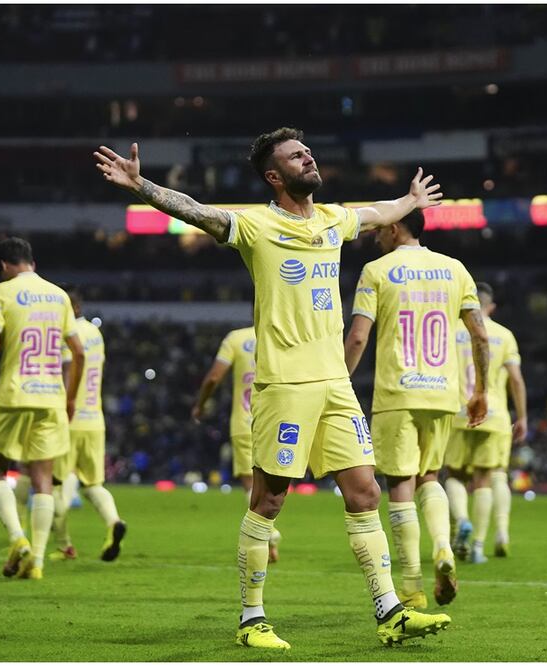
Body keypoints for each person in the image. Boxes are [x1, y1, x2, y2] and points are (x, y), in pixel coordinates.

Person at [94, 127, 466, 649]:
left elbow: (377, 214)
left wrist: (410, 200)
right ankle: (251, 619)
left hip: (335, 382)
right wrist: (144, 188)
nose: (308, 156)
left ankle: (391, 611)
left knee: (365, 492)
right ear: (274, 176)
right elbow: (198, 211)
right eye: (296, 155)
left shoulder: (333, 219)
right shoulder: (256, 225)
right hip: (284, 385)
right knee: (268, 502)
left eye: (308, 150)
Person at [343, 210, 489, 608]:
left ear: (394, 227)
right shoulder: (455, 269)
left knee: (400, 485)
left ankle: (411, 587)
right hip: (443, 393)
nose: (374, 238)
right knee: (430, 476)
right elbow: (480, 334)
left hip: (397, 393)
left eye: (378, 231)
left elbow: (358, 338)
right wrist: (482, 390)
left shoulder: (377, 271)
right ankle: (443, 545)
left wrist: (339, 379)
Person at [0, 237, 84, 581]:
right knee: (42, 479)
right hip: (52, 397)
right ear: (32, 263)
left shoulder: (1, 291)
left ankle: (16, 538)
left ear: (4, 266)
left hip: (13, 393)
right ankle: (36, 561)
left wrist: (1, 338)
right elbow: (78, 352)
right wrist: (70, 398)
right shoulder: (58, 295)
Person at [440, 282, 526, 563]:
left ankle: (462, 521)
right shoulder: (504, 335)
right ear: (490, 306)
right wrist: (522, 416)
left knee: (454, 475)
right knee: (486, 479)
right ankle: (479, 544)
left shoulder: (451, 330)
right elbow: (515, 378)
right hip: (494, 413)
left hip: (457, 412)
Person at [192, 325, 282, 562]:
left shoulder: (236, 338)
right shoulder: (282, 333)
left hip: (245, 421)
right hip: (277, 419)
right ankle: (268, 536)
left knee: (251, 484)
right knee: (272, 481)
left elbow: (213, 377)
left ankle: (269, 534)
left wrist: (200, 404)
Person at [50, 286, 127, 562]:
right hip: (95, 419)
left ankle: (64, 546)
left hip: (70, 419)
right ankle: (113, 523)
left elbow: (69, 370)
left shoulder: (67, 336)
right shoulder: (95, 333)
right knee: (94, 484)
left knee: (56, 485)